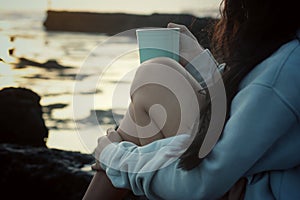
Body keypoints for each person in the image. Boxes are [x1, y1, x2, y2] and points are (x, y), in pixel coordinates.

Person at [84, 0, 300, 199]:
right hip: (244, 179)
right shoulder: (286, 51)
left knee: (154, 77)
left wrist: (115, 157)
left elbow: (205, 178)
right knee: (158, 75)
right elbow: (250, 104)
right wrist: (201, 63)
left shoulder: (287, 66)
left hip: (241, 189)